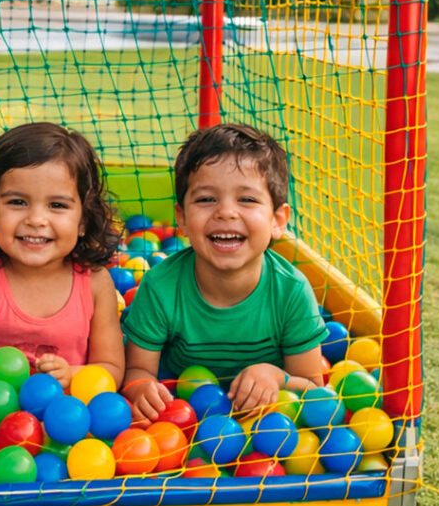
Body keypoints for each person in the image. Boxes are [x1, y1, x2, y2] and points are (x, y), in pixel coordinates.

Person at [123, 123, 328, 419]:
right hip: (182, 416)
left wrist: (275, 377)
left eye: (247, 199)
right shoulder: (160, 286)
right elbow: (138, 370)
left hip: (265, 425)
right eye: (207, 199)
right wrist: (141, 388)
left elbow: (312, 386)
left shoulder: (291, 291)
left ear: (278, 220)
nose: (226, 212)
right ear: (181, 217)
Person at [0, 122, 125, 389]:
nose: (36, 219)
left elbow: (111, 368)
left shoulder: (96, 284)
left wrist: (72, 375)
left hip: (74, 424)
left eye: (57, 205)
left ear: (83, 220)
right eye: (17, 202)